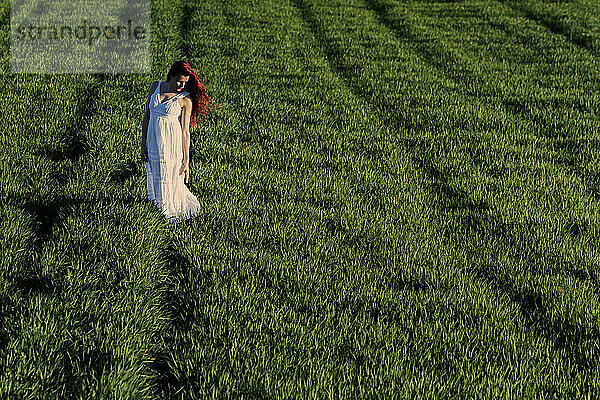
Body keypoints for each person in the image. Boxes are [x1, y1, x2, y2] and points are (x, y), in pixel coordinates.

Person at [140, 60, 218, 223]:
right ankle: (157, 207)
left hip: (171, 144)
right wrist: (143, 143)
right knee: (156, 174)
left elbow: (185, 132)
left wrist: (186, 160)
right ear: (171, 76)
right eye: (179, 81)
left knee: (169, 176)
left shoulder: (185, 99)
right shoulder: (155, 86)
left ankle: (167, 212)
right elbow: (147, 116)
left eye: (185, 83)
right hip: (153, 140)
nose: (181, 86)